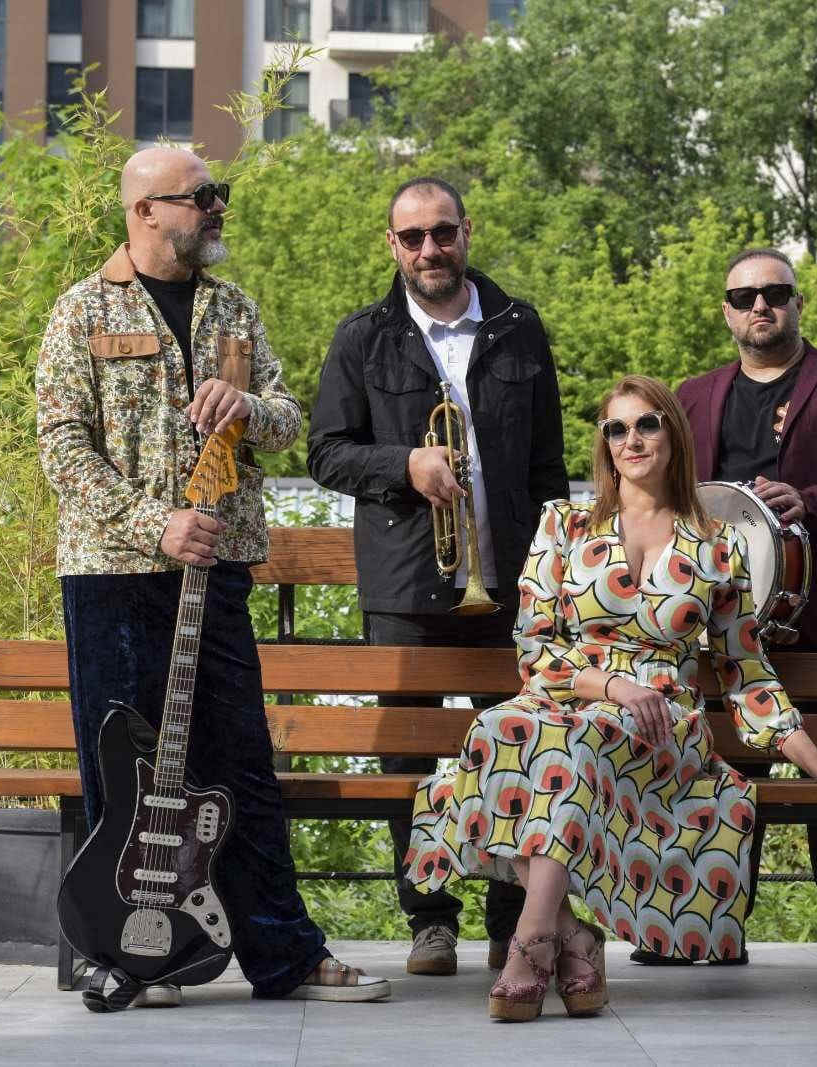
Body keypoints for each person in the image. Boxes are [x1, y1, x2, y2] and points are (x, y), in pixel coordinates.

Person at [405, 374, 817, 1022]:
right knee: (498, 728)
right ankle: (569, 938)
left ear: (673, 435)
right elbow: (533, 646)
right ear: (604, 444)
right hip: (565, 698)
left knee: (567, 746)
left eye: (646, 424)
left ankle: (531, 944)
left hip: (660, 721)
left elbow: (746, 672)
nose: (631, 439)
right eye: (617, 428)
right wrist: (610, 683)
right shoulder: (563, 524)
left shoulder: (715, 544)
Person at [36, 146, 388, 1006]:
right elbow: (62, 445)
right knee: (121, 771)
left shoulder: (234, 308)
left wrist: (250, 407)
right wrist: (152, 522)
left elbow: (287, 418)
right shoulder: (81, 309)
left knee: (241, 765)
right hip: (114, 571)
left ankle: (286, 956)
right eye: (201, 196)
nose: (218, 206)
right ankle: (129, 956)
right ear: (146, 211)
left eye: (216, 192)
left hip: (217, 572)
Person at [308, 176, 569, 977]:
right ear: (392, 245)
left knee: (517, 753)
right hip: (407, 587)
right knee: (408, 763)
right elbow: (325, 452)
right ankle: (430, 921)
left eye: (443, 232)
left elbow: (549, 464)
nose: (430, 249)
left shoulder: (520, 326)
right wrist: (405, 463)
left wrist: (554, 570)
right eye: (414, 236)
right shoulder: (364, 337)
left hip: (510, 585)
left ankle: (510, 922)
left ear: (466, 232)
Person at [666, 247, 817, 978]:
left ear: (797, 302)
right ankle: (716, 922)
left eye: (775, 292)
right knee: (719, 770)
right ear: (726, 311)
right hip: (718, 619)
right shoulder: (693, 395)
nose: (760, 305)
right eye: (744, 296)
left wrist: (816, 501)